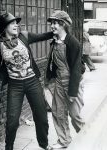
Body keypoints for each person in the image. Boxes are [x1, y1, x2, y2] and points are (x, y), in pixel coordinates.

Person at [0, 12, 53, 150]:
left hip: (32, 82)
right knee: (12, 121)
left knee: (41, 116)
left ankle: (44, 144)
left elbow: (44, 36)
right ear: (4, 27)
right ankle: (9, 147)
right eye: (12, 23)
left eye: (16, 23)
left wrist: (57, 30)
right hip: (15, 85)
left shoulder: (24, 36)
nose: (15, 25)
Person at [45, 10, 85, 149]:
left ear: (63, 24)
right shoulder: (55, 42)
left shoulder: (73, 43)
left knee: (75, 115)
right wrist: (49, 79)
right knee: (58, 112)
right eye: (52, 23)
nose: (52, 26)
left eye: (55, 23)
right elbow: (52, 63)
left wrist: (73, 92)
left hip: (72, 83)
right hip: (59, 82)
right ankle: (64, 140)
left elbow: (76, 69)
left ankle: (87, 137)